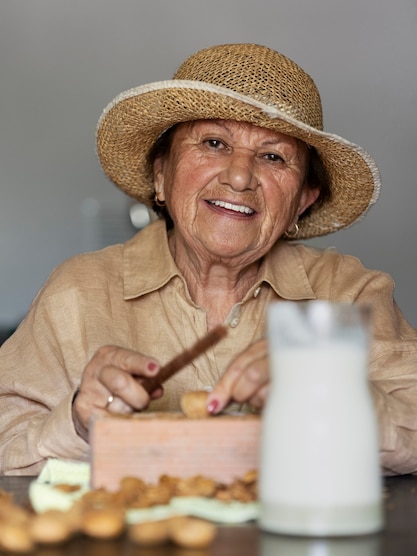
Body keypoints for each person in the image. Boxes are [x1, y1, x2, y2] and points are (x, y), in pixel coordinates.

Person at [1, 43, 417, 477]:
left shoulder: (350, 295)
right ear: (161, 174)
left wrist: (326, 393)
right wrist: (77, 422)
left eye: (273, 156)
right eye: (214, 143)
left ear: (303, 201)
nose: (239, 176)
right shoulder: (79, 291)